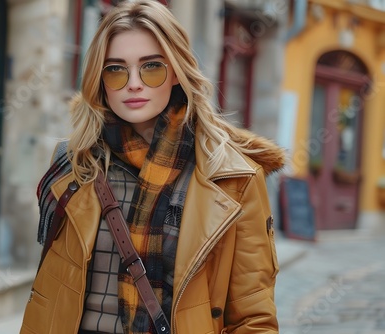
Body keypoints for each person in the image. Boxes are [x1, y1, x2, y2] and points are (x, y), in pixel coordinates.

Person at [20, 1, 284, 333]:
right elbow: (48, 293)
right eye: (115, 69)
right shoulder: (74, 163)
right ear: (99, 79)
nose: (133, 83)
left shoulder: (232, 180)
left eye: (151, 67)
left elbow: (252, 318)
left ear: (176, 72)